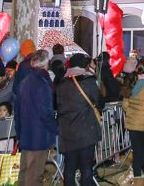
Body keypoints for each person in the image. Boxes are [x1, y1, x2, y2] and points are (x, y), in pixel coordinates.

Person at [56, 53, 102, 186]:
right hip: (85, 130)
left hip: (67, 131)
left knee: (69, 167)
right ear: (85, 65)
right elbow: (99, 101)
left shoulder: (61, 83)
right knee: (86, 167)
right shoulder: (88, 81)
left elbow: (58, 105)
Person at [14, 50, 57, 186]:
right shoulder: (43, 84)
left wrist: (19, 132)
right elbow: (45, 112)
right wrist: (55, 128)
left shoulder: (25, 82)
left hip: (26, 134)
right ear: (45, 63)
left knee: (25, 172)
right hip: (39, 135)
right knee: (35, 175)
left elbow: (17, 110)